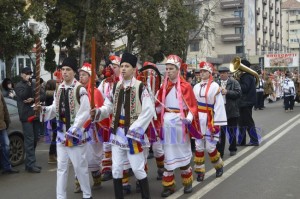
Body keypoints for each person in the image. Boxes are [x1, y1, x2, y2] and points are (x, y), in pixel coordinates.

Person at [91, 52, 154, 199]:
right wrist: (98, 112)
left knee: (138, 169)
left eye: (127, 66)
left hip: (133, 134)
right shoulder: (116, 87)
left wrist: (135, 129)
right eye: (122, 66)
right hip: (117, 134)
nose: (123, 69)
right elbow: (108, 106)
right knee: (116, 169)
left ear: (133, 69)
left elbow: (148, 111)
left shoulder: (140, 87)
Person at [41, 57, 92, 199]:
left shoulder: (80, 90)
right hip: (61, 135)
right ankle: (60, 196)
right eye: (63, 69)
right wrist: (42, 110)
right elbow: (54, 109)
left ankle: (87, 195)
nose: (65, 72)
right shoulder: (59, 88)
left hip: (75, 135)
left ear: (74, 72)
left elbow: (85, 112)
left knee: (80, 168)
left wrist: (74, 129)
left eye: (68, 69)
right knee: (61, 168)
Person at [156, 55, 199, 197]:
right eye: (166, 69)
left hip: (181, 125)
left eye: (171, 68)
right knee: (168, 155)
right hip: (167, 126)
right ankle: (169, 186)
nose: (168, 71)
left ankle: (187, 182)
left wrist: (188, 118)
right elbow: (157, 107)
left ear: (178, 69)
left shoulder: (186, 86)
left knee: (182, 154)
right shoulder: (163, 87)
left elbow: (193, 107)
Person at [193, 61, 227, 182]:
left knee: (210, 147)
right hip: (198, 119)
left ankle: (218, 166)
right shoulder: (196, 87)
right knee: (198, 147)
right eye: (200, 71)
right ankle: (200, 171)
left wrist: (217, 123)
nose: (201, 73)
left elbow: (219, 106)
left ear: (210, 73)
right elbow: (193, 105)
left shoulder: (215, 87)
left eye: (204, 71)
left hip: (210, 119)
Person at [74, 62, 104, 192]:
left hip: (92, 130)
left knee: (91, 156)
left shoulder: (96, 92)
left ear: (90, 77)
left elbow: (98, 111)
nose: (81, 77)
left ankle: (96, 176)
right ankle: (79, 182)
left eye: (84, 75)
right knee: (79, 156)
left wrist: (94, 114)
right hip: (79, 128)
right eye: (80, 75)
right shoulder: (76, 91)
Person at [14, 67, 45, 173]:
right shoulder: (18, 85)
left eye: (30, 73)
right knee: (29, 139)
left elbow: (43, 95)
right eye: (27, 73)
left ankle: (30, 162)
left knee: (36, 138)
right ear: (22, 74)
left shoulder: (34, 83)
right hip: (26, 116)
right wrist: (28, 86)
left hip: (35, 114)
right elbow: (23, 95)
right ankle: (31, 164)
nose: (29, 75)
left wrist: (35, 99)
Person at [97, 55, 122, 182]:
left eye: (115, 66)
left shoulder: (123, 82)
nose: (112, 69)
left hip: (121, 119)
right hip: (107, 117)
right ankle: (107, 168)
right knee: (107, 144)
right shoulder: (104, 83)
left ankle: (125, 169)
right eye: (110, 66)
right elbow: (99, 97)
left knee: (121, 144)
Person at [216, 66, 241, 158]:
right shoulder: (216, 83)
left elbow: (238, 94)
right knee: (220, 133)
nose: (222, 74)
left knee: (232, 132)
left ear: (228, 74)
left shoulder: (234, 82)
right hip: (220, 111)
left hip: (232, 110)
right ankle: (220, 151)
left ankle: (233, 148)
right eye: (220, 73)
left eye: (224, 72)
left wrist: (227, 92)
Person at [237, 59, 260, 146]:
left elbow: (244, 88)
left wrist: (238, 81)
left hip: (246, 102)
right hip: (244, 102)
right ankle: (241, 141)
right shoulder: (248, 76)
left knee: (248, 122)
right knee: (242, 122)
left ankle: (254, 140)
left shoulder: (247, 76)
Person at [0, 90, 19, 174]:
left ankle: (6, 167)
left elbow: (4, 107)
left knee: (6, 146)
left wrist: (7, 121)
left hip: (1, 125)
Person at [44, 79, 58, 164]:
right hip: (54, 117)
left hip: (52, 118)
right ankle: (52, 154)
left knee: (55, 136)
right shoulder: (53, 95)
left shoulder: (47, 94)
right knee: (56, 136)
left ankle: (53, 154)